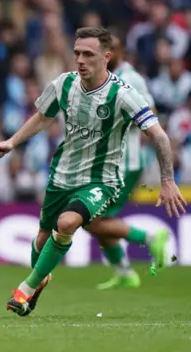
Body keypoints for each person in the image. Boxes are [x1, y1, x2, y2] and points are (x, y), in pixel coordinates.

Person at [0, 26, 186, 317]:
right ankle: (40, 278)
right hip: (62, 175)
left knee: (68, 223)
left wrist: (167, 180)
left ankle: (25, 289)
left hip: (101, 179)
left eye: (88, 54)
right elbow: (43, 118)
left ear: (106, 57)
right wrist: (12, 141)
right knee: (43, 240)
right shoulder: (64, 84)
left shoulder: (123, 93)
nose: (80, 60)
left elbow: (158, 134)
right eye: (77, 53)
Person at [87, 35, 158, 290]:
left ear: (120, 52)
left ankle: (150, 238)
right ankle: (124, 271)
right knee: (94, 220)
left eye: (111, 49)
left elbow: (151, 113)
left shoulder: (132, 78)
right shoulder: (99, 78)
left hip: (126, 161)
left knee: (92, 219)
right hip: (107, 162)